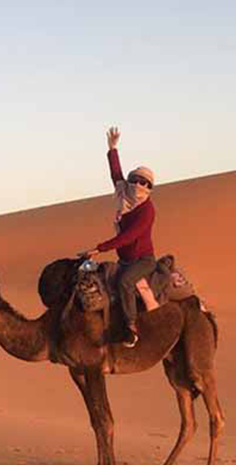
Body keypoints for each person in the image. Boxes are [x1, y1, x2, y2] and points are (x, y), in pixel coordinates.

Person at [85, 126, 156, 348]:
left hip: (142, 260)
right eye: (135, 179)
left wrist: (100, 248)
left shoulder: (147, 210)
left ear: (150, 188)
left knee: (125, 282)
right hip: (124, 260)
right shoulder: (123, 194)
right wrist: (113, 149)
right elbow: (116, 174)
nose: (138, 185)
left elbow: (129, 236)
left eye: (145, 183)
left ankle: (132, 328)